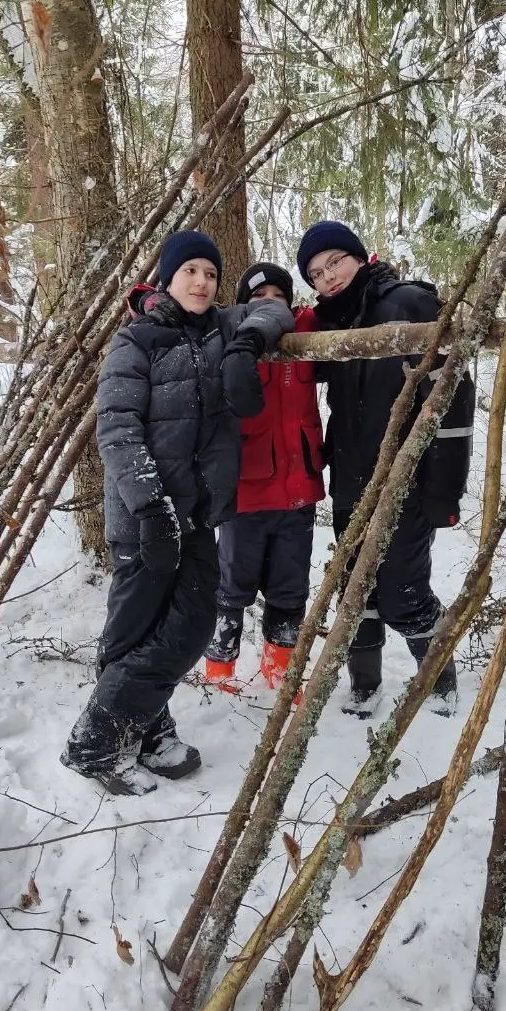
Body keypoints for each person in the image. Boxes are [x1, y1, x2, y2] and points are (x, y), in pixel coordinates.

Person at [62, 230, 295, 795]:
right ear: (167, 278)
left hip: (196, 516)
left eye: (211, 274)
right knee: (134, 631)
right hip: (144, 518)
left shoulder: (220, 328)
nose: (201, 282)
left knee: (187, 626)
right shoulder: (135, 341)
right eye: (190, 271)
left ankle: (139, 728)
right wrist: (151, 508)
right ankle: (100, 745)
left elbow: (275, 310)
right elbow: (117, 430)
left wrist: (245, 346)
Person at [296, 220, 475, 717]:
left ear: (360, 256)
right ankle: (364, 685)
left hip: (408, 482)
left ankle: (439, 680)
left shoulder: (409, 304)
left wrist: (445, 488)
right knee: (357, 587)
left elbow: (453, 399)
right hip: (350, 480)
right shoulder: (334, 321)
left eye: (335, 262)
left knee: (402, 589)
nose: (327, 276)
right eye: (315, 272)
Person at [204, 262, 325, 691]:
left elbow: (340, 307)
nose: (270, 303)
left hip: (299, 489)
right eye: (259, 296)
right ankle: (219, 673)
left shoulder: (304, 328)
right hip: (247, 492)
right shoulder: (227, 332)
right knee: (232, 586)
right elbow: (170, 305)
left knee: (290, 588)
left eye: (279, 295)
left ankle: (281, 670)